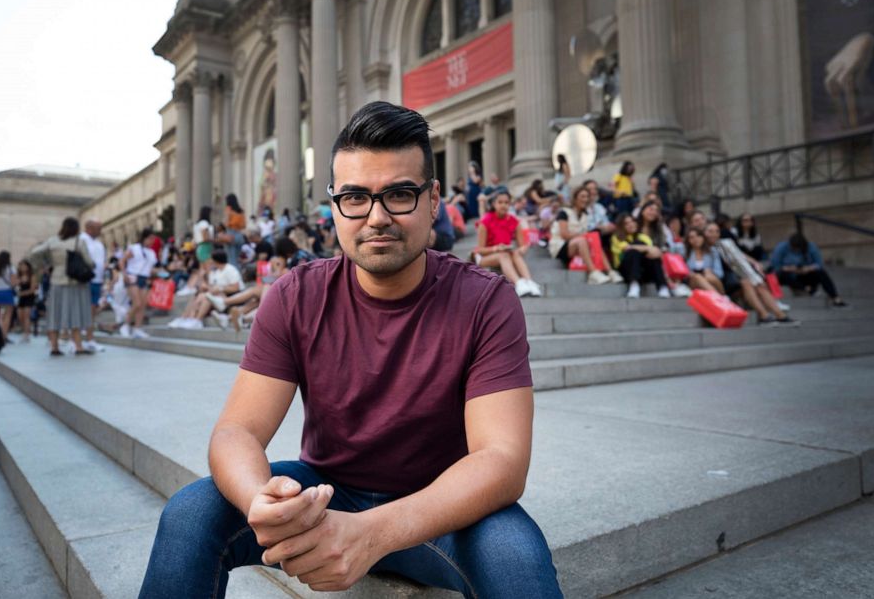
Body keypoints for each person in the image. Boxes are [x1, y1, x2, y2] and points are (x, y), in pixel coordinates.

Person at [139, 101, 563, 598]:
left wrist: (373, 533)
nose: (377, 217)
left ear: (433, 201)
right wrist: (262, 500)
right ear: (335, 205)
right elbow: (236, 430)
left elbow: (502, 460)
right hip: (326, 490)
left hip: (443, 506)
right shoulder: (296, 295)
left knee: (516, 560)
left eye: (400, 194)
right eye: (355, 197)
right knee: (191, 513)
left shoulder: (486, 299)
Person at [704, 222, 798, 326]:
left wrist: (754, 263)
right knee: (747, 282)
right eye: (710, 231)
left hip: (734, 276)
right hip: (722, 280)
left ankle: (780, 315)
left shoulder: (724, 244)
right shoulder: (703, 246)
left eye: (717, 231)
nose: (714, 234)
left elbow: (740, 256)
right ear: (704, 233)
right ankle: (764, 316)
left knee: (758, 284)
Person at [29, 217, 96, 355]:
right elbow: (89, 262)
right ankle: (78, 346)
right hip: (74, 282)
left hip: (56, 280)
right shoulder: (79, 241)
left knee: (54, 314)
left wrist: (44, 265)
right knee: (75, 313)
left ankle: (54, 347)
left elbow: (34, 252)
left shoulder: (53, 241)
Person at [473, 190, 543, 297]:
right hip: (485, 256)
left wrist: (522, 249)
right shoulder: (485, 221)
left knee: (514, 253)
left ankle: (529, 282)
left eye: (506, 203)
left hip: (506, 252)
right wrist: (496, 248)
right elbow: (480, 250)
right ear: (494, 204)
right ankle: (518, 283)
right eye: (500, 202)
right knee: (504, 255)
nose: (503, 205)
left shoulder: (514, 221)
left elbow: (523, 244)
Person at [550, 185, 620, 285]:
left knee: (594, 239)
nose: (585, 199)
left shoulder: (585, 215)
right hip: (560, 246)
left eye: (587, 197)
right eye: (582, 196)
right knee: (583, 240)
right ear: (575, 198)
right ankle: (593, 272)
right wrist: (584, 236)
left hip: (578, 245)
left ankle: (610, 271)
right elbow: (564, 235)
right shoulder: (564, 212)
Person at [168, 251, 244, 329]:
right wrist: (202, 277)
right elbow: (210, 288)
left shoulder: (230, 269)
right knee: (199, 296)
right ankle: (185, 318)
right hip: (217, 296)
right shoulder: (215, 272)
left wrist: (220, 289)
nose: (210, 261)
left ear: (216, 260)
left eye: (211, 260)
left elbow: (236, 288)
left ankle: (196, 320)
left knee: (205, 297)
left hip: (231, 297)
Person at [771, 232, 847, 307]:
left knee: (821, 273)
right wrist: (791, 268)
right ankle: (806, 289)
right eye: (794, 249)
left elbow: (819, 264)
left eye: (798, 249)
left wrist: (807, 268)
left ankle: (835, 298)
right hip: (788, 276)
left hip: (805, 275)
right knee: (780, 274)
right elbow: (776, 266)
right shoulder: (782, 247)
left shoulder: (811, 247)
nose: (796, 251)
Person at [610, 214, 669, 299]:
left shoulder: (643, 237)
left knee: (652, 257)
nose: (631, 224)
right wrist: (647, 248)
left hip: (643, 270)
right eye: (626, 223)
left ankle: (662, 287)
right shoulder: (616, 237)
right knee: (633, 251)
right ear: (621, 226)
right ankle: (634, 284)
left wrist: (653, 251)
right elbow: (627, 248)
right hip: (625, 271)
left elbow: (655, 252)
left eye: (632, 221)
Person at [120, 228, 159, 339]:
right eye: (150, 239)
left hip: (144, 278)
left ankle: (137, 327)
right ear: (144, 238)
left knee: (142, 305)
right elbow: (122, 261)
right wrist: (124, 274)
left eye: (153, 239)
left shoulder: (151, 253)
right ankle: (125, 324)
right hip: (133, 276)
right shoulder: (135, 248)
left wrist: (159, 273)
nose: (152, 241)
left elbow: (151, 268)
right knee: (137, 303)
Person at [80, 219, 108, 353]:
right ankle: (83, 339)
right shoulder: (81, 240)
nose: (100, 231)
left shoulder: (99, 244)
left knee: (91, 310)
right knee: (86, 311)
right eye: (98, 228)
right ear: (89, 227)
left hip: (97, 280)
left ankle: (88, 339)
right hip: (85, 280)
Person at [684, 228, 725, 294]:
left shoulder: (713, 251)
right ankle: (721, 298)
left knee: (710, 277)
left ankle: (720, 297)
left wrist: (709, 272)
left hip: (711, 279)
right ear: (688, 240)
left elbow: (720, 273)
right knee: (697, 277)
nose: (696, 239)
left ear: (703, 237)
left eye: (698, 236)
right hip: (692, 282)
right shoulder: (685, 252)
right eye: (691, 237)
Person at [15, 260, 37, 342]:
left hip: (29, 297)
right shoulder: (19, 276)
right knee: (20, 316)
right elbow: (15, 285)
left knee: (26, 316)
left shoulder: (32, 276)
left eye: (24, 266)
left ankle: (26, 334)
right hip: (21, 298)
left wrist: (22, 293)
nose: (23, 268)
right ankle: (24, 331)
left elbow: (32, 289)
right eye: (21, 266)